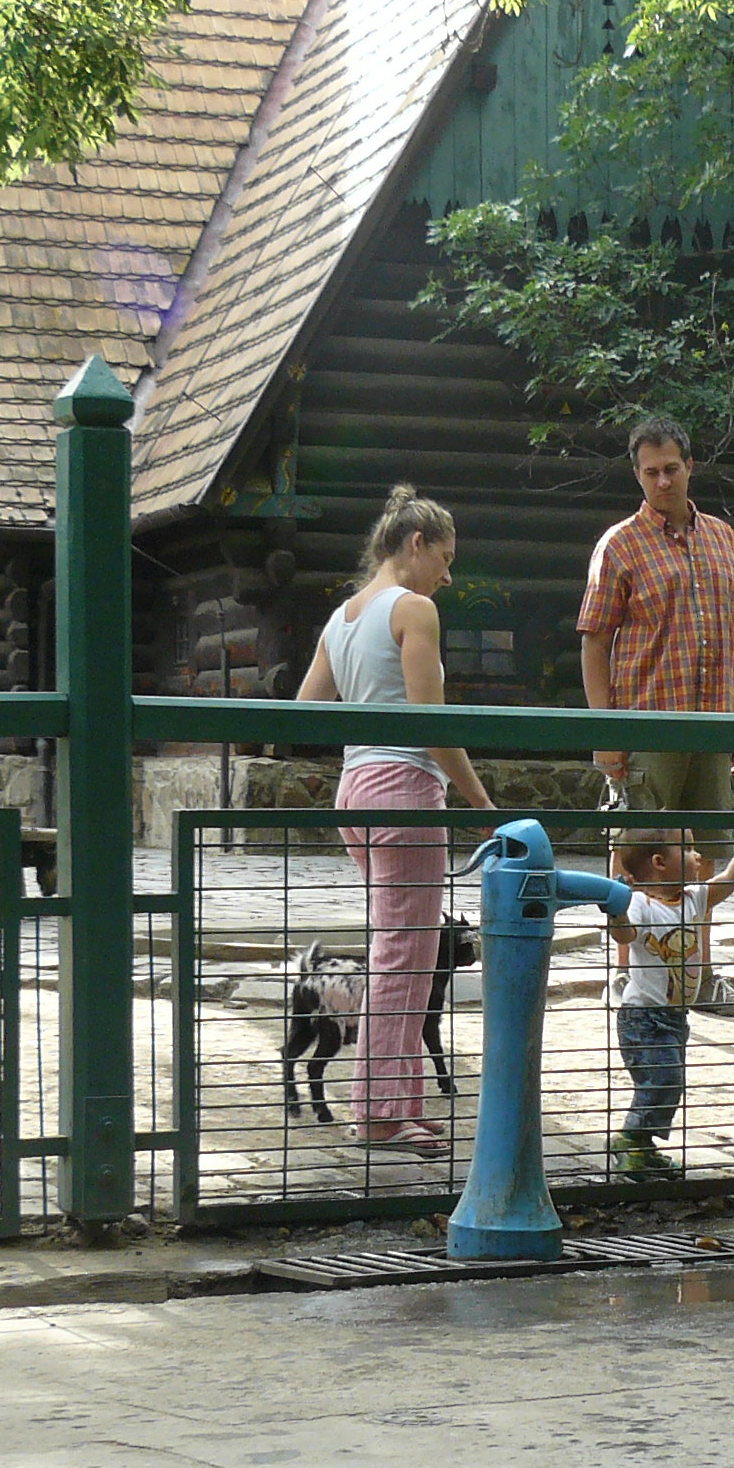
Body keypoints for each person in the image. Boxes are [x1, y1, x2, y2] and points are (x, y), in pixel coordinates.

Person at [295, 487, 492, 1159]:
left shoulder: (341, 618)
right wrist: (482, 805)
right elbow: (429, 723)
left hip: (354, 790)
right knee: (403, 957)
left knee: (400, 949)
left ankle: (398, 1107)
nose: (448, 575)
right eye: (446, 557)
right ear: (416, 542)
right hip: (403, 788)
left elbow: (305, 711)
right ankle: (379, 1114)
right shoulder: (414, 609)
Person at [578, 418, 734, 1012]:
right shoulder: (619, 544)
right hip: (646, 723)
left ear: (690, 467)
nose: (662, 481)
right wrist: (605, 729)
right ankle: (628, 973)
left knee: (703, 851)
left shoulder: (724, 539)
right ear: (638, 475)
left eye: (671, 468)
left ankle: (697, 975)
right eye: (651, 472)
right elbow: (594, 639)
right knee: (636, 847)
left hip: (714, 722)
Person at [603, 816, 734, 1182]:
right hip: (643, 1017)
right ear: (660, 862)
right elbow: (624, 935)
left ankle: (642, 1148)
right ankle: (630, 1139)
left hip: (676, 1017)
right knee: (663, 1080)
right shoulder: (641, 904)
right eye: (688, 848)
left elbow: (731, 878)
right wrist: (616, 910)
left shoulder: (693, 898)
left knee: (665, 1083)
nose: (697, 855)